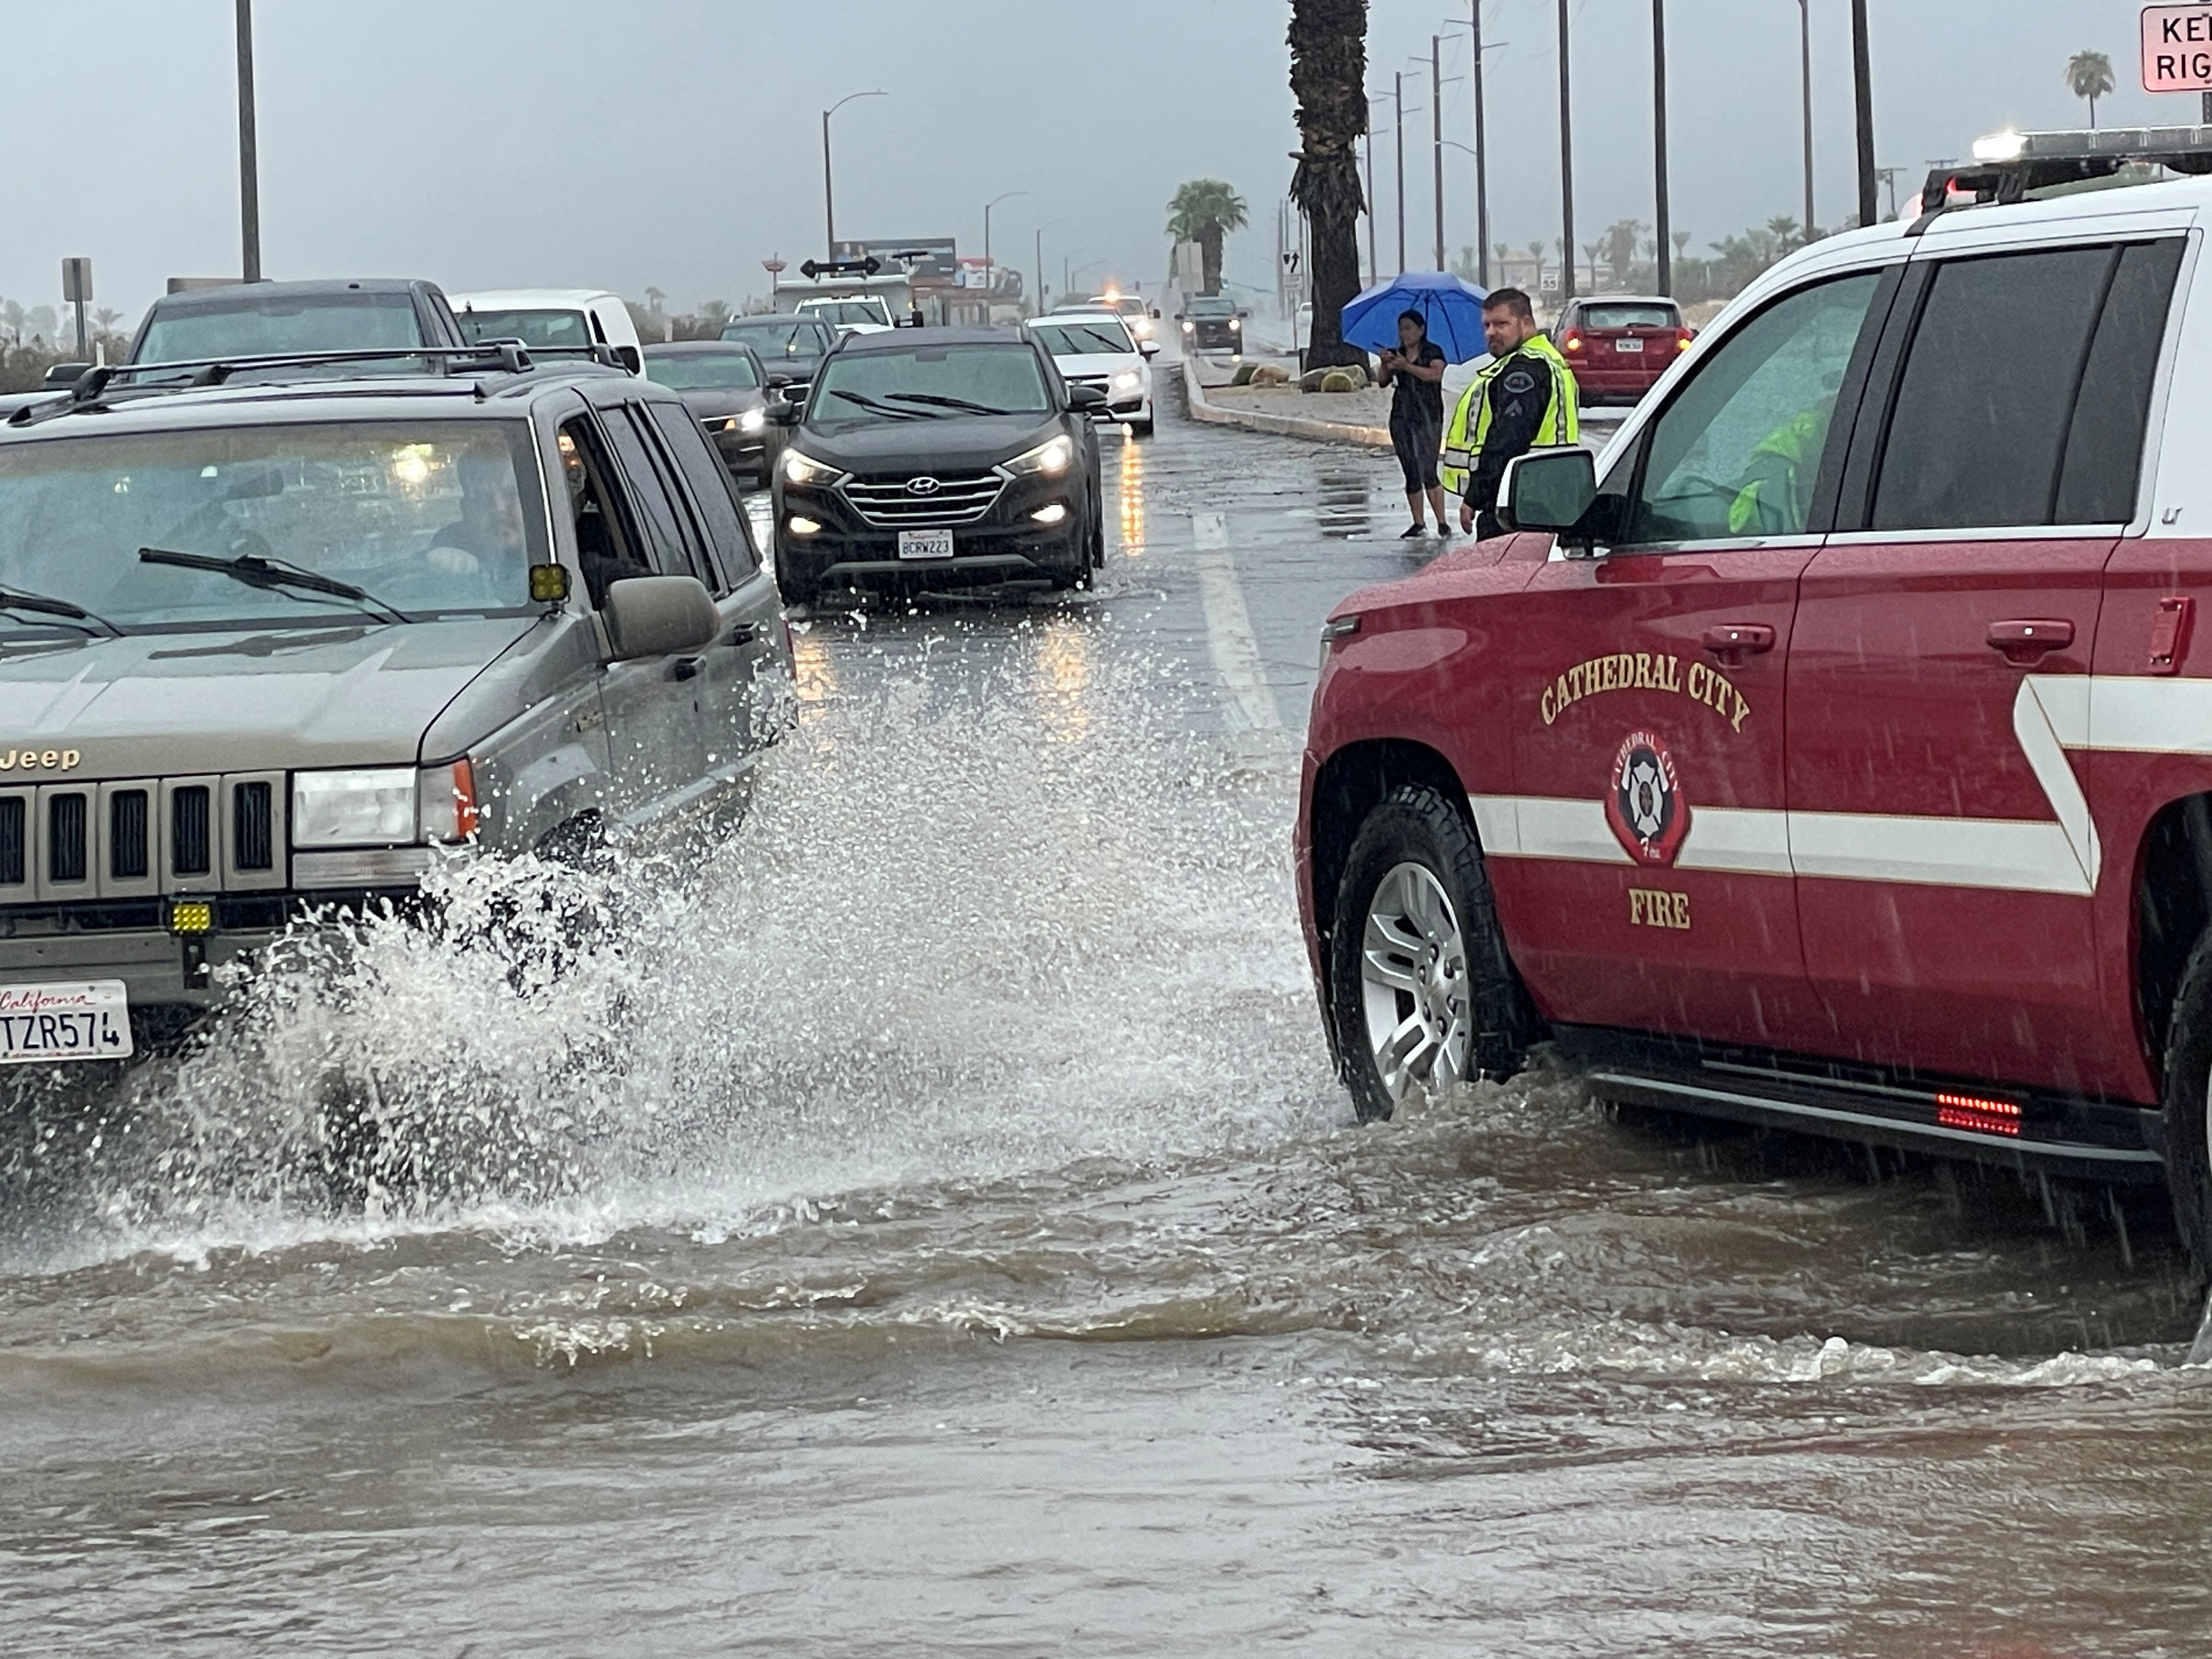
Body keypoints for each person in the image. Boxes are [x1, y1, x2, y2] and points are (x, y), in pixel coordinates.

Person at [1440, 288, 1580, 540]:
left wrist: (1475, 496)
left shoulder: (1524, 370)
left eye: (1501, 324)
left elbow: (1507, 439)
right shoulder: (1548, 359)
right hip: (1545, 498)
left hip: (1517, 502)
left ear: (1526, 323)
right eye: (1487, 325)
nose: (1491, 332)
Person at [1375, 309, 1451, 539]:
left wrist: (1406, 366)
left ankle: (1442, 522)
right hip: (1402, 416)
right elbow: (1381, 382)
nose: (1404, 333)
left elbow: (1435, 376)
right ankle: (1418, 522)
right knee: (1410, 469)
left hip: (1428, 415)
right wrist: (1386, 364)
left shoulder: (1433, 351)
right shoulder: (1397, 353)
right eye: (1401, 329)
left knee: (1429, 468)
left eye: (1409, 328)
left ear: (1421, 329)